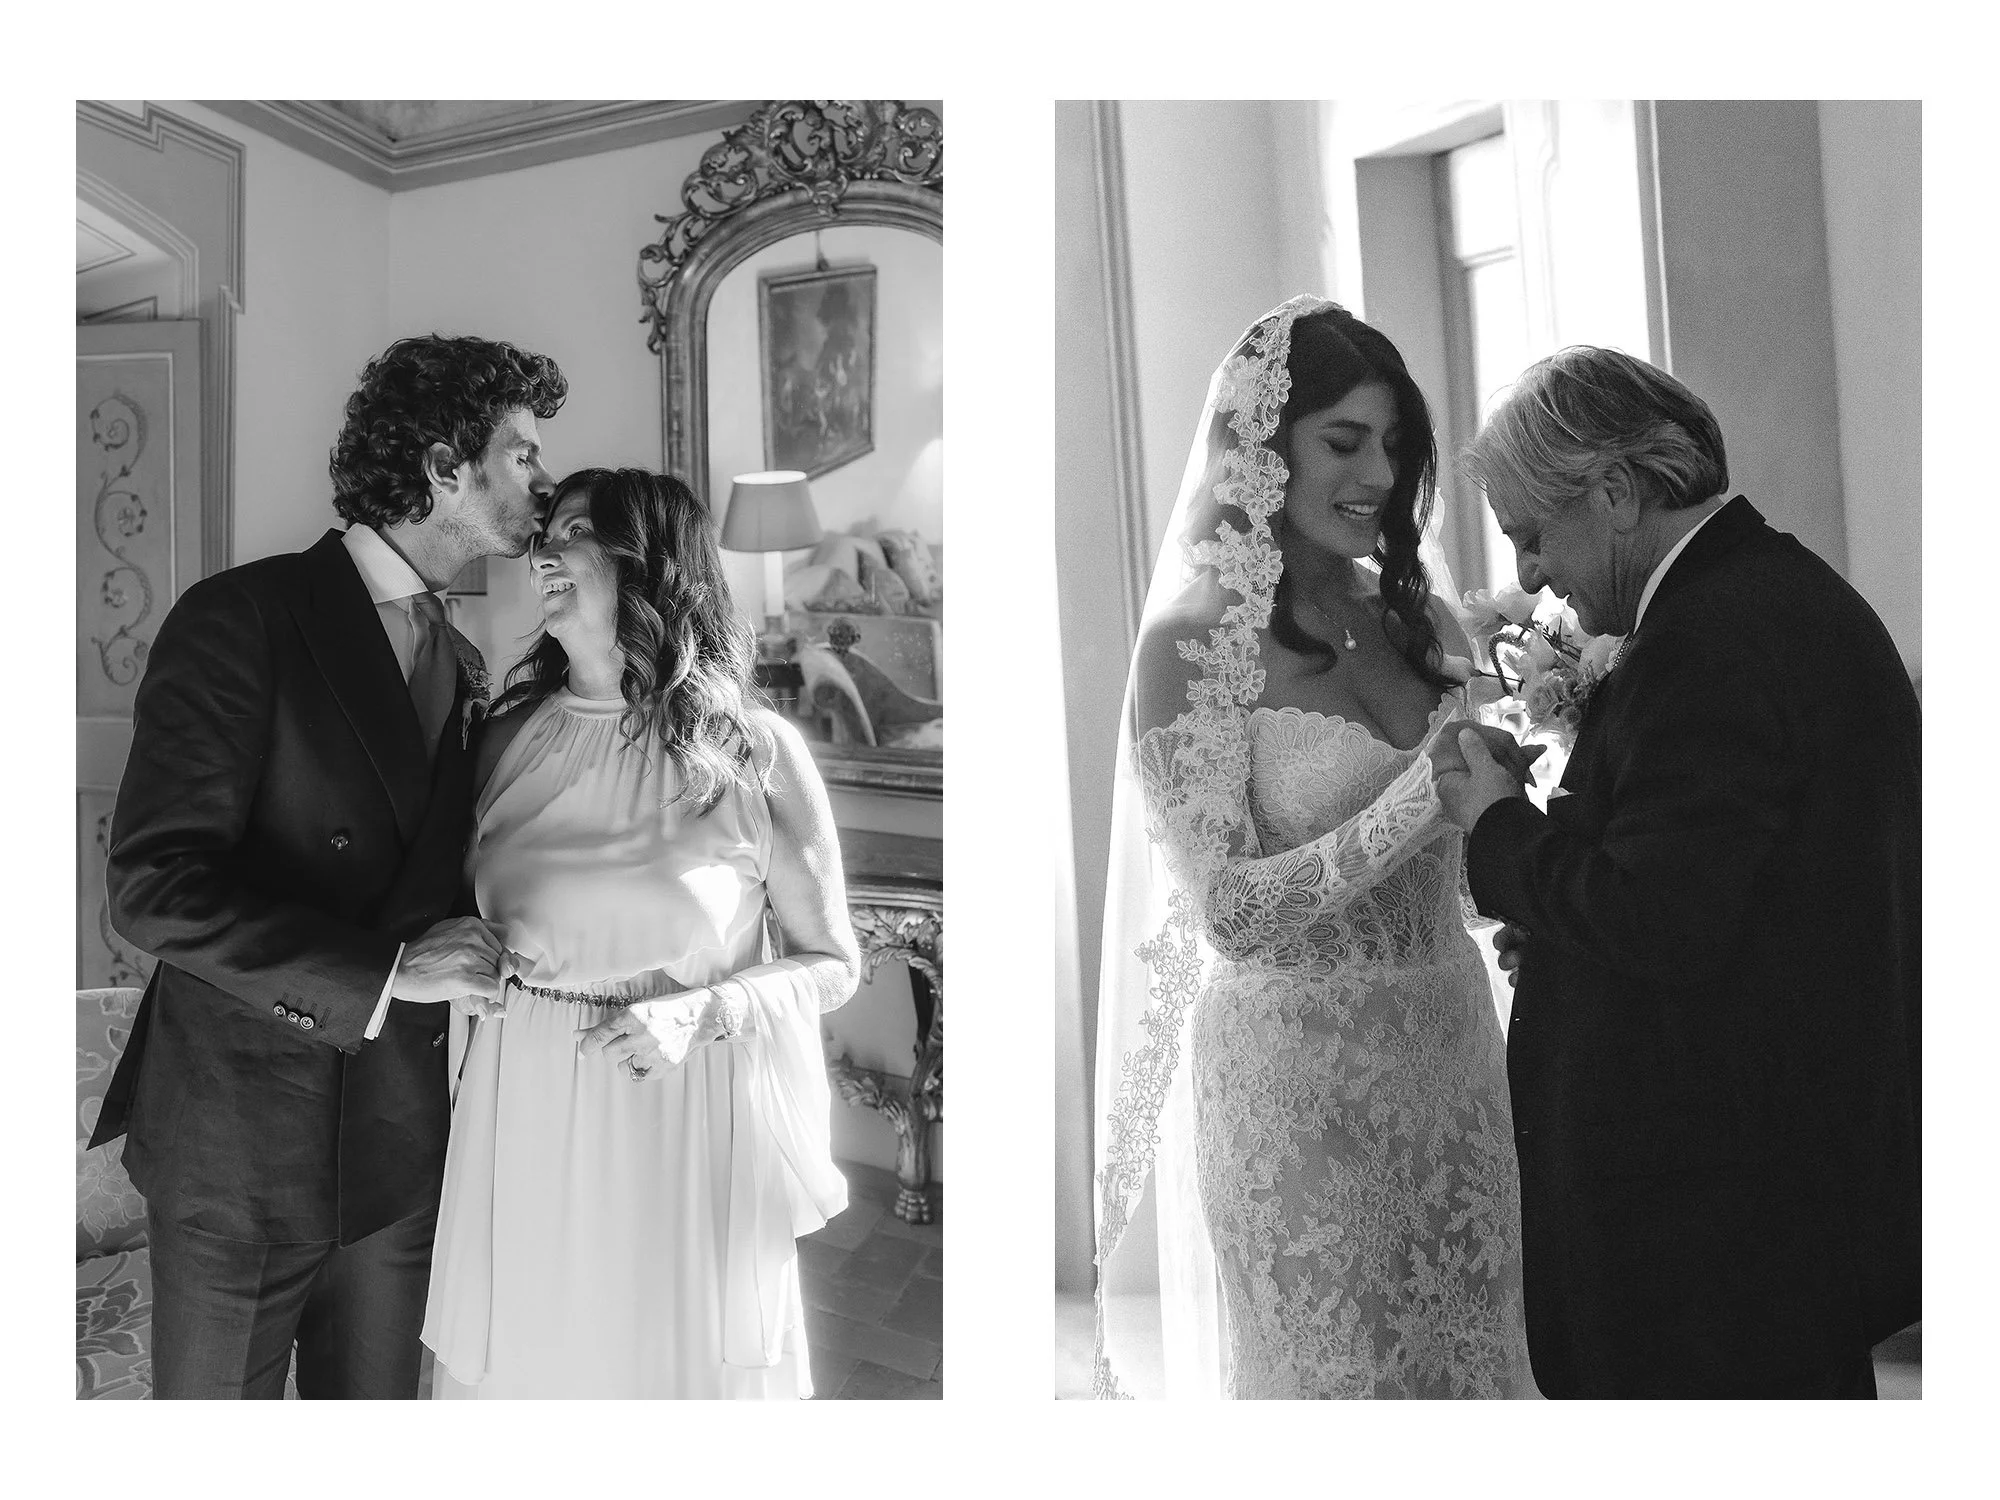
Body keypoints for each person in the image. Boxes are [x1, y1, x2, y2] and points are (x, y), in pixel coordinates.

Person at [1437, 346, 1921, 1398]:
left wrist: (1494, 831)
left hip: (1706, 1227)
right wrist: (1565, 928)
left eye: (1530, 534)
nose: (1525, 576)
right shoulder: (1772, 597)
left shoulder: (1706, 642)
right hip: (1767, 1198)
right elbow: (1730, 899)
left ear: (1613, 493)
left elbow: (1661, 918)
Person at [91, 334, 568, 1398]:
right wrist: (392, 973)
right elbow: (154, 888)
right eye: (523, 454)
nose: (542, 480)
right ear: (447, 469)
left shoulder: (463, 657)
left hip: (397, 1154)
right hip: (238, 1150)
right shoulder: (243, 618)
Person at [1093, 296, 1540, 1398]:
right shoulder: (1188, 645)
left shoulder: (1425, 625)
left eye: (1394, 445)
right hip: (1292, 1080)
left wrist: (1522, 854)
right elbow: (1229, 914)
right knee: (1339, 1381)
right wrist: (1418, 804)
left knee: (1475, 1367)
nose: (1378, 473)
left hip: (1450, 1046)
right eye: (1343, 440)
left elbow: (1472, 884)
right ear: (1263, 449)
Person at [421, 467, 858, 1399]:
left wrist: (705, 1011)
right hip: (523, 1112)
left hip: (681, 1115)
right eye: (547, 530)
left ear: (645, 564)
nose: (544, 550)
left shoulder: (753, 750)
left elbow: (833, 965)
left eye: (574, 529)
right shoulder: (504, 738)